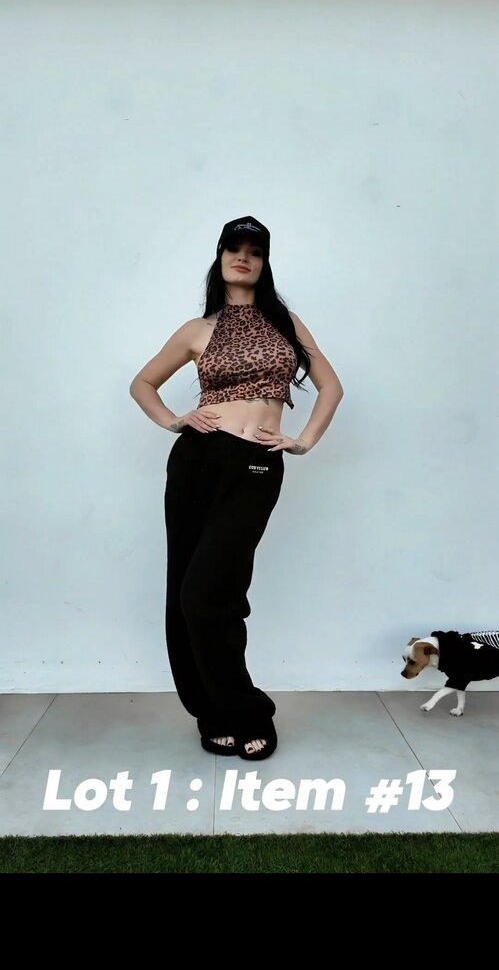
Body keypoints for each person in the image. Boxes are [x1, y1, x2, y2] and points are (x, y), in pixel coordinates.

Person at [129, 215, 344, 760]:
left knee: (212, 594)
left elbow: (331, 386)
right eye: (234, 248)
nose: (243, 257)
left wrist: (303, 441)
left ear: (265, 262)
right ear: (220, 256)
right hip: (197, 460)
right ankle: (212, 712)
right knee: (185, 591)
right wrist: (174, 420)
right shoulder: (197, 329)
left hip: (255, 463)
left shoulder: (285, 323)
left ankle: (248, 713)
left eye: (255, 250)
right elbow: (142, 383)